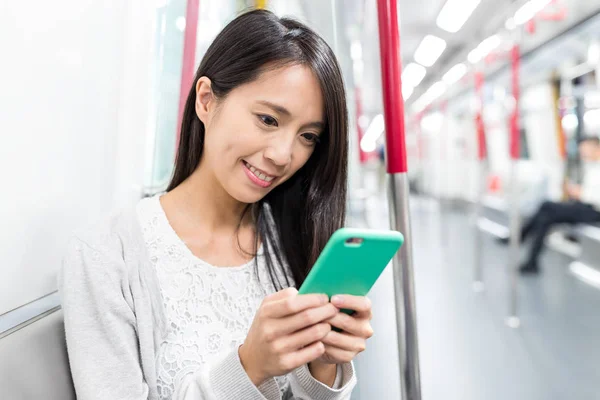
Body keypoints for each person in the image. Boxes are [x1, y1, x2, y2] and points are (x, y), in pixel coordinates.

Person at [58, 10, 373, 400]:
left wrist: (324, 364)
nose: (282, 154)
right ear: (206, 100)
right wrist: (249, 367)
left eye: (308, 136)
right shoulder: (107, 254)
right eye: (269, 120)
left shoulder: (294, 242)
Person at [501, 136, 600, 274]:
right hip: (583, 206)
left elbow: (594, 197)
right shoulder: (591, 167)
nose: (583, 153)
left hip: (593, 211)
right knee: (545, 218)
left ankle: (521, 235)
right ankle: (532, 261)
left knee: (546, 206)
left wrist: (578, 192)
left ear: (596, 147)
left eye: (585, 149)